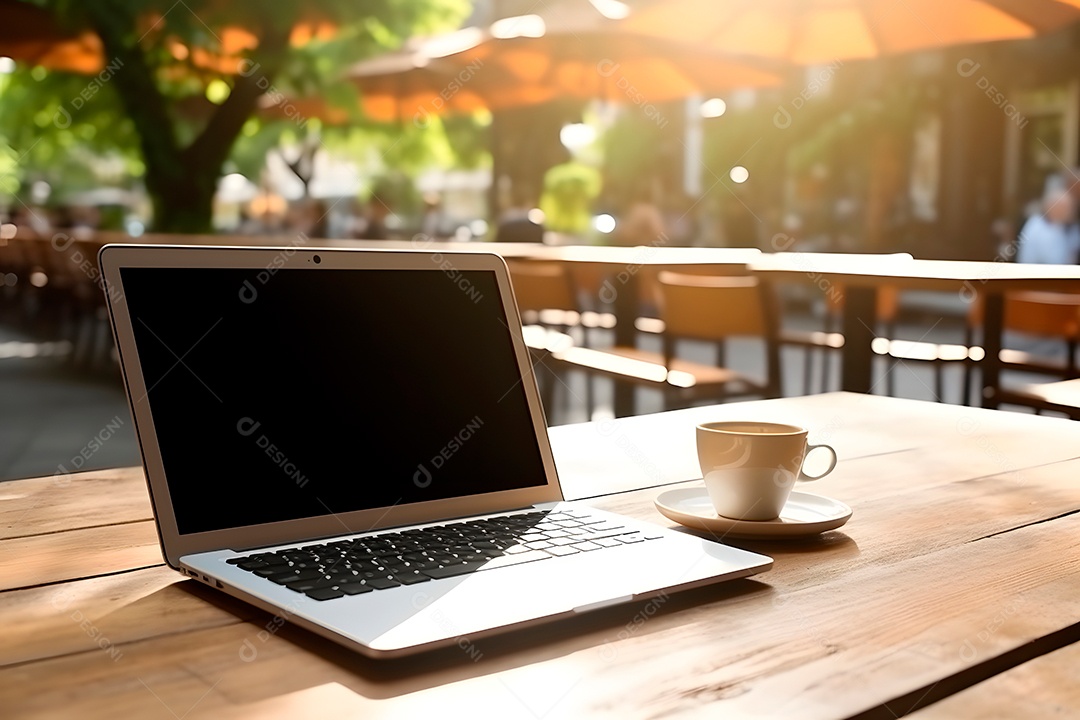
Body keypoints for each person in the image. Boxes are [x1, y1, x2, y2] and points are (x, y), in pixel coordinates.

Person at [1015, 187, 1080, 264]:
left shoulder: (1069, 226)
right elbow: (1053, 259)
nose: (1069, 212)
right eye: (1065, 208)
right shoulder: (1036, 225)